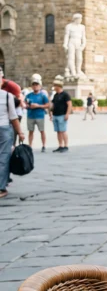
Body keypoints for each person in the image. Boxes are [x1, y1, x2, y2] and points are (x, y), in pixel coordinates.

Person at [0, 68, 26, 200]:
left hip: (4, 129)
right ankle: (1, 187)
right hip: (4, 128)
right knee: (3, 158)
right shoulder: (7, 96)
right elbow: (13, 117)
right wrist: (20, 132)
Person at [24, 80, 49, 152]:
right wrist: (28, 106)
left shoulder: (43, 95)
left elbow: (47, 105)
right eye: (34, 85)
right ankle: (30, 145)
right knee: (30, 131)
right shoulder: (29, 95)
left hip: (40, 115)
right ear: (32, 86)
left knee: (42, 131)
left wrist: (38, 106)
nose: (35, 86)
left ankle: (43, 145)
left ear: (40, 86)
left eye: (36, 85)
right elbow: (25, 104)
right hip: (30, 115)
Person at [49, 81, 72, 153]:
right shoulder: (55, 95)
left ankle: (66, 145)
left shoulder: (65, 95)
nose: (54, 87)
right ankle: (60, 145)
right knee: (58, 131)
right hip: (55, 115)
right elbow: (53, 105)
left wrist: (67, 114)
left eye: (55, 86)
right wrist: (50, 113)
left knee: (63, 130)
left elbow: (69, 104)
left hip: (62, 115)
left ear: (58, 86)